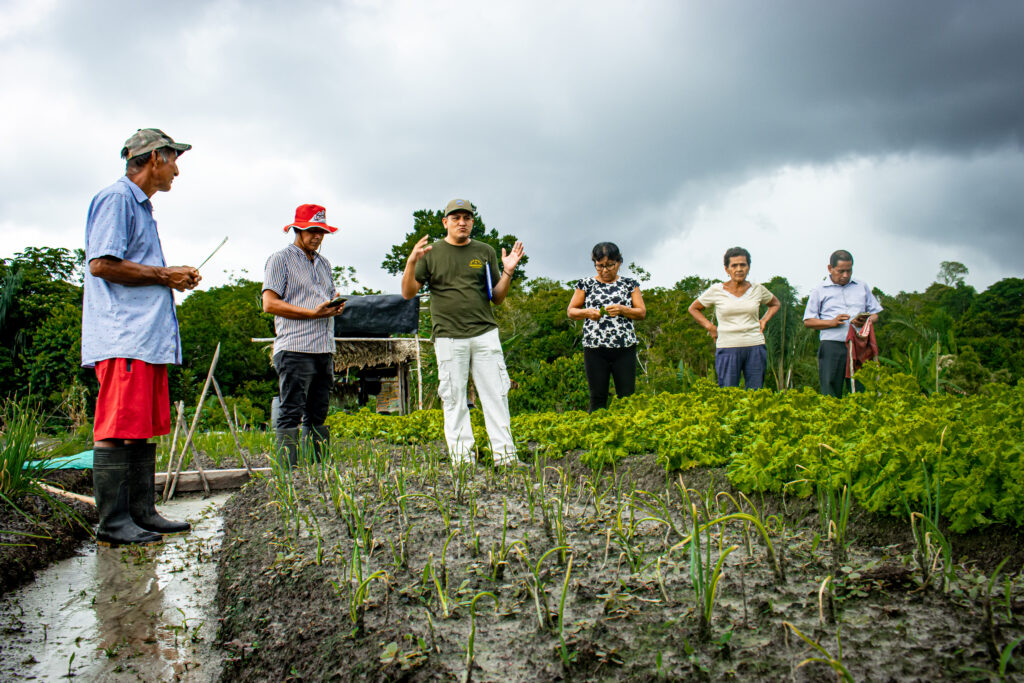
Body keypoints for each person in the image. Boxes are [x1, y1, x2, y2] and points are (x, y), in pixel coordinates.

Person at [81, 128, 199, 546]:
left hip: (145, 339)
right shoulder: (116, 199)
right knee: (116, 426)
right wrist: (166, 274)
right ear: (154, 159)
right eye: (173, 161)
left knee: (139, 426)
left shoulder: (142, 208)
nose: (177, 171)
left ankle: (141, 512)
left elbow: (134, 268)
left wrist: (170, 277)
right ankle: (113, 523)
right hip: (123, 335)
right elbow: (102, 264)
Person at [401, 198, 525, 466]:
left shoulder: (485, 251)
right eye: (455, 217)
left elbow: (498, 298)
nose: (462, 222)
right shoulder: (431, 253)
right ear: (445, 222)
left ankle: (506, 458)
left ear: (472, 222)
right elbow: (408, 292)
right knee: (454, 399)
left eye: (467, 217)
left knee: (496, 395)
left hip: (484, 334)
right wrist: (411, 261)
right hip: (448, 336)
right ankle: (463, 461)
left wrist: (508, 271)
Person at [262, 204, 347, 466]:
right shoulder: (280, 259)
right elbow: (269, 304)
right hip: (295, 346)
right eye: (312, 231)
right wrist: (311, 313)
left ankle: (316, 470)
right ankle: (289, 473)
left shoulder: (324, 264)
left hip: (323, 346)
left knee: (318, 412)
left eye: (321, 232)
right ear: (297, 229)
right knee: (291, 410)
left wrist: (334, 305)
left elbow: (324, 298)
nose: (317, 237)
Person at [566, 242, 646, 412]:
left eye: (610, 265)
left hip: (624, 347)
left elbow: (641, 312)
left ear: (619, 262)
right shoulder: (585, 284)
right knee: (597, 397)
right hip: (595, 348)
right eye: (599, 266)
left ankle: (628, 433)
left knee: (627, 397)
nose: (605, 270)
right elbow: (571, 311)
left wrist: (623, 310)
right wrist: (588, 313)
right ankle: (595, 436)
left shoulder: (630, 284)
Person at [688, 247, 781, 389]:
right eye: (734, 265)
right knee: (728, 393)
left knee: (756, 394)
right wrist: (711, 327)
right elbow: (693, 308)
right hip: (727, 347)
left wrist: (764, 320)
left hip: (755, 346)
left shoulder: (758, 289)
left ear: (748, 267)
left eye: (743, 265)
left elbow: (775, 304)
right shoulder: (716, 290)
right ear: (727, 269)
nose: (739, 269)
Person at [803, 249, 883, 397]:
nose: (845, 275)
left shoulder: (862, 286)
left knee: (862, 388)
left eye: (849, 270)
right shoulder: (819, 290)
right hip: (832, 345)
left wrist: (865, 321)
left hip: (859, 346)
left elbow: (875, 315)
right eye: (841, 271)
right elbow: (808, 321)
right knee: (830, 388)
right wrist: (832, 323)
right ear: (830, 268)